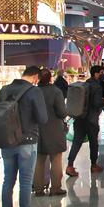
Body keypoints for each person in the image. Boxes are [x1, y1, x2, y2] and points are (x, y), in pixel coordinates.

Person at [0, 65, 48, 207]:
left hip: (6, 140)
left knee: (8, 180)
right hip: (27, 140)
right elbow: (43, 118)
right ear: (35, 77)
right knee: (25, 182)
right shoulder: (34, 91)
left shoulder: (4, 90)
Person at [32, 69, 68, 197]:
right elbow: (62, 112)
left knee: (39, 160)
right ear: (50, 78)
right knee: (56, 159)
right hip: (54, 129)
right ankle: (56, 188)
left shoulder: (33, 91)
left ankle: (38, 189)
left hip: (37, 130)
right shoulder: (55, 91)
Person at [66, 66, 104, 177]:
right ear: (96, 74)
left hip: (79, 118)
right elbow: (96, 103)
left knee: (77, 142)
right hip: (91, 120)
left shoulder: (85, 84)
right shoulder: (96, 87)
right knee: (94, 143)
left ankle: (70, 165)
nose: (103, 74)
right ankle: (94, 165)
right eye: (102, 72)